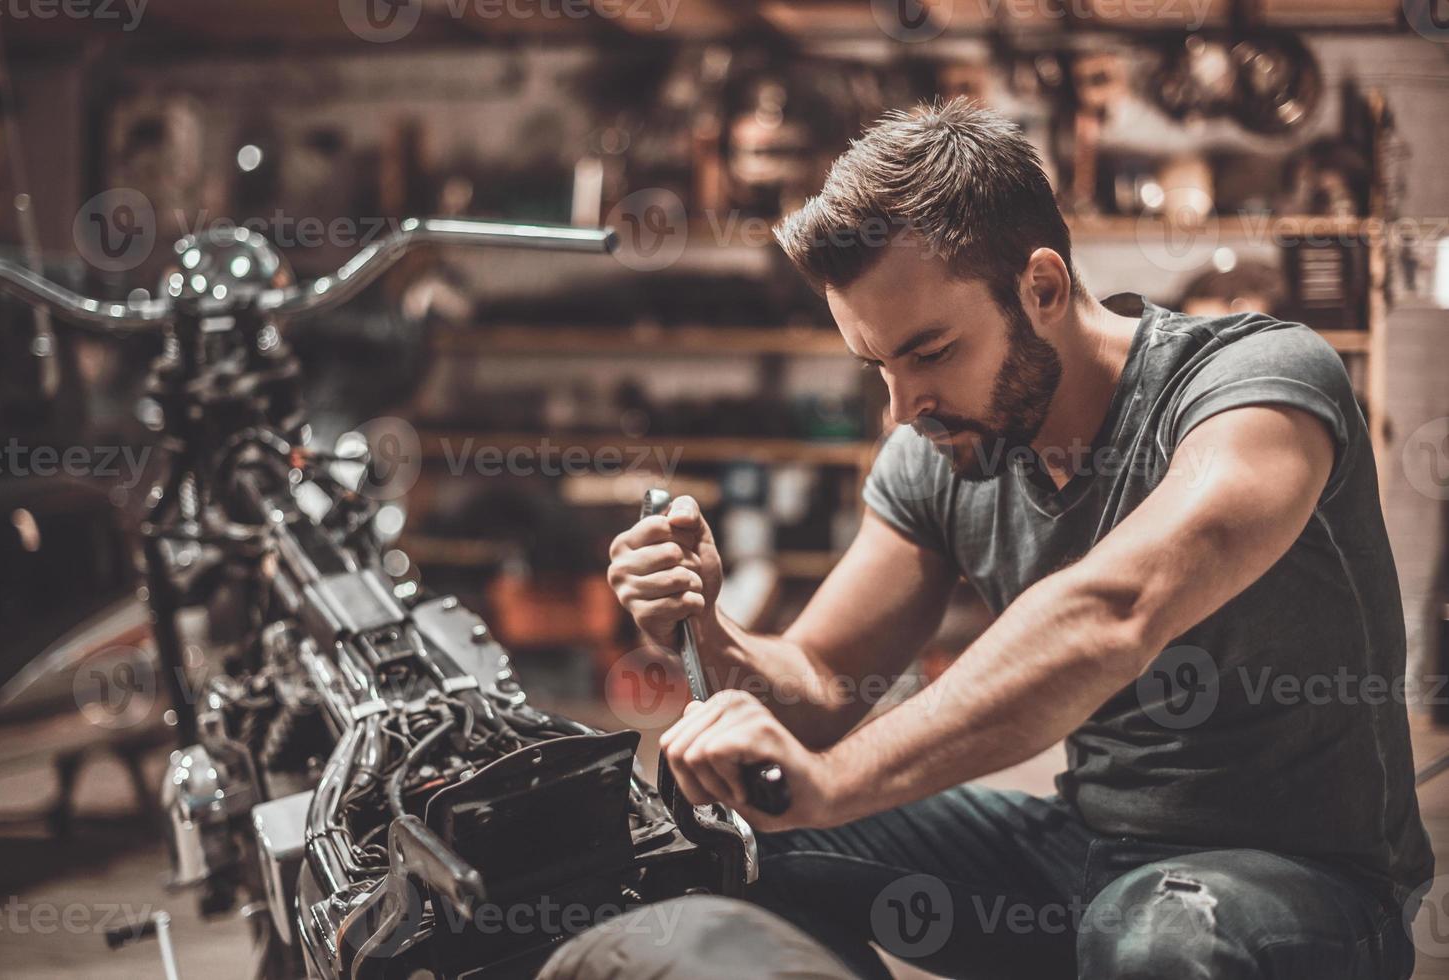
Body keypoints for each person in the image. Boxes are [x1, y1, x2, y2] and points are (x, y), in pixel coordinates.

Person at [603, 99, 1431, 979]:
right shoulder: (939, 449)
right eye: (879, 366)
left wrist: (839, 782)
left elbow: (1113, 611)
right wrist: (706, 629)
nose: (901, 407)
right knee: (718, 826)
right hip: (1084, 857)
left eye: (929, 352)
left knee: (1161, 937)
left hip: (1311, 889)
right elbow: (816, 686)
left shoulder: (1255, 383)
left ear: (1040, 288)